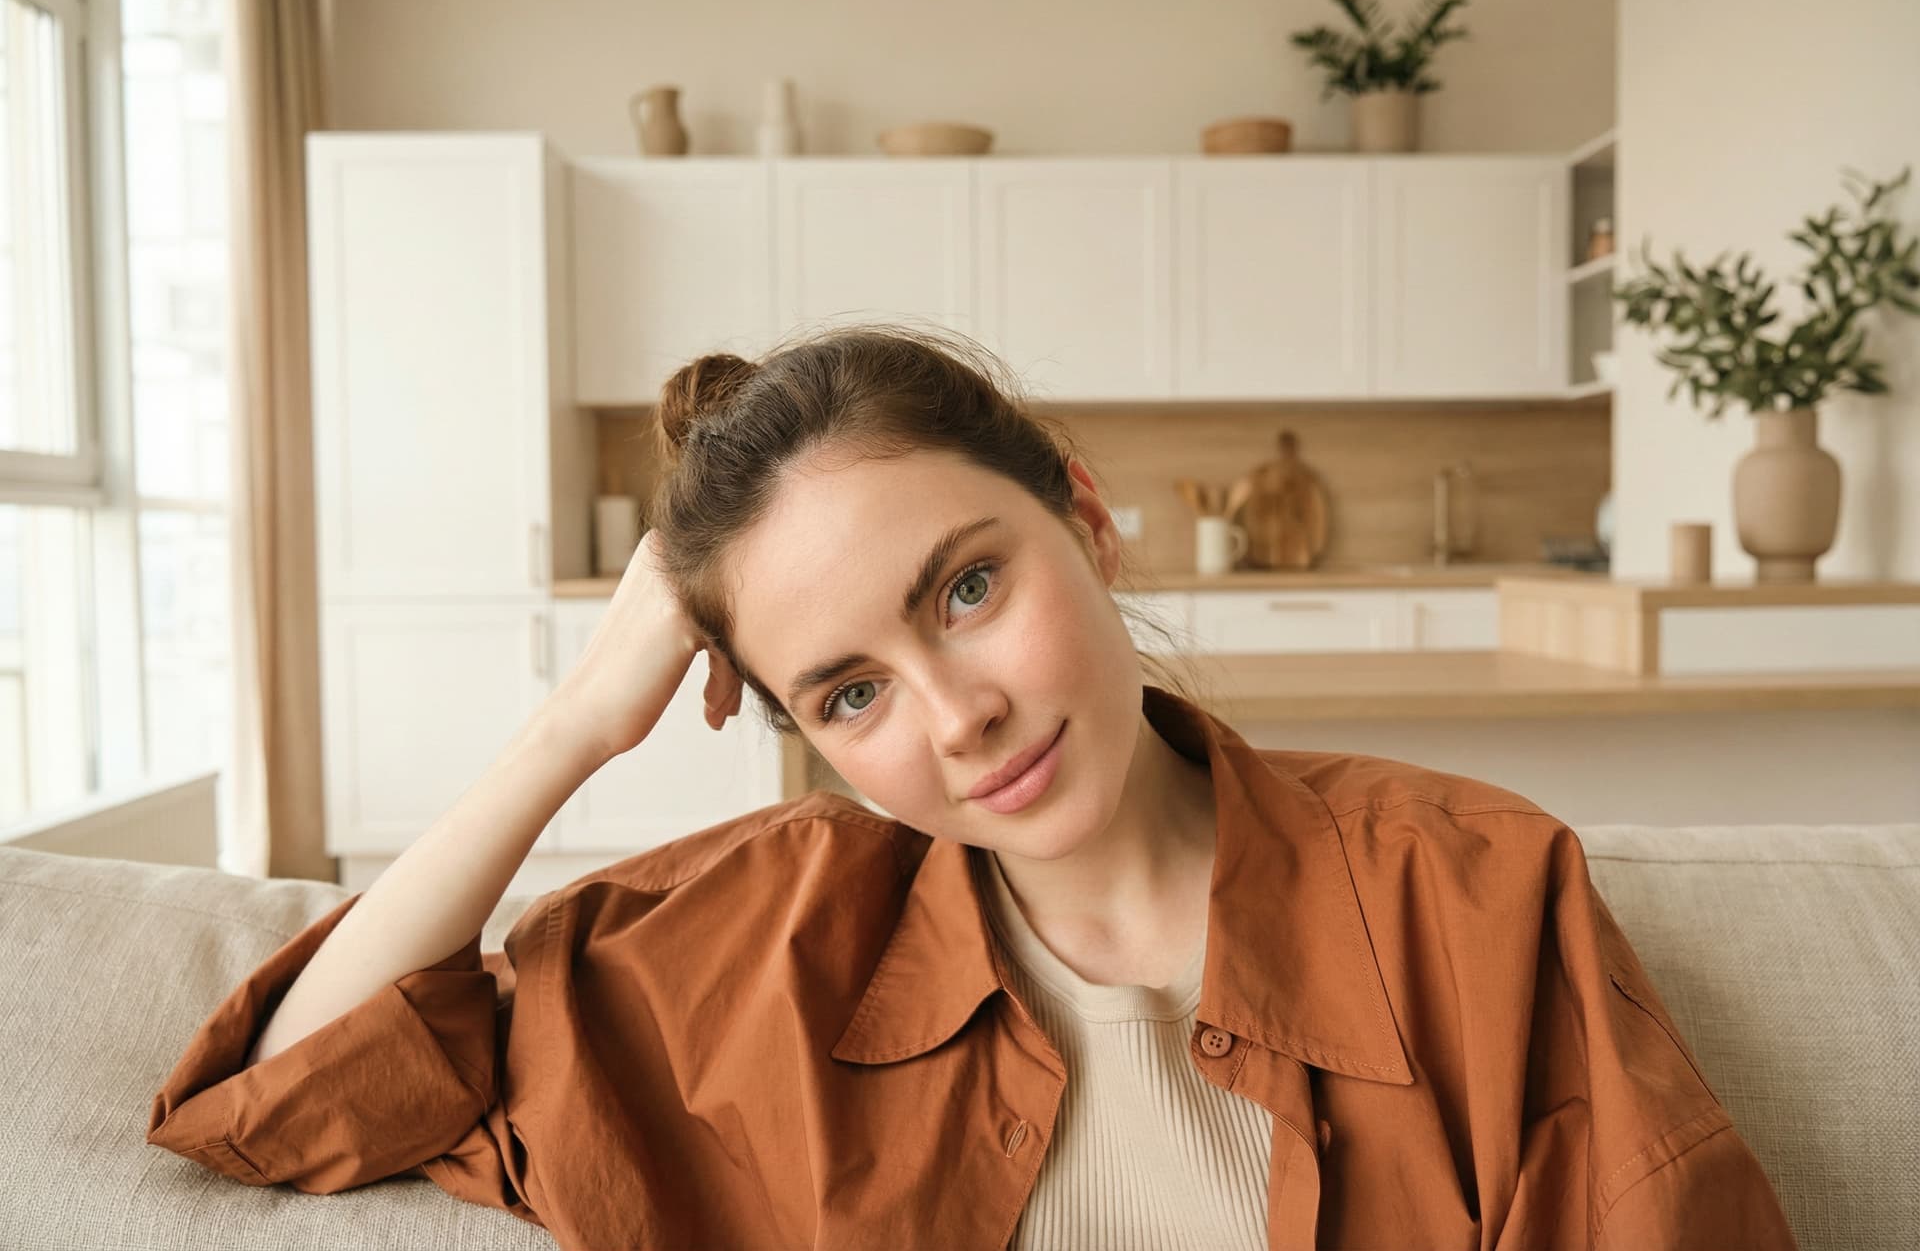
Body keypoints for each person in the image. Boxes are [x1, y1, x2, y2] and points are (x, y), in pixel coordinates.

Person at [148, 325, 1798, 1250]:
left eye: (964, 588)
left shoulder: (1475, 893)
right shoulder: (759, 945)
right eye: (849, 691)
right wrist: (576, 722)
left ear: (1083, 517)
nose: (957, 717)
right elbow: (285, 1101)